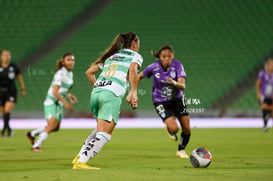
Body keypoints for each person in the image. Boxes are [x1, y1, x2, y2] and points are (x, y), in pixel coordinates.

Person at [72, 32, 143, 170]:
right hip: (111, 94)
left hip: (97, 92)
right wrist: (134, 92)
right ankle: (81, 163)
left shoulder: (110, 56)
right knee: (105, 133)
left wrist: (101, 88)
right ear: (135, 43)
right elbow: (133, 70)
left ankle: (80, 157)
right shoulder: (135, 56)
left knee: (100, 129)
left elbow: (89, 72)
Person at [138, 45, 191, 158]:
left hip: (177, 100)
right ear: (160, 57)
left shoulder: (178, 65)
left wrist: (174, 83)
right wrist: (132, 92)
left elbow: (182, 86)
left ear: (173, 56)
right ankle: (169, 128)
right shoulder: (154, 67)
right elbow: (139, 76)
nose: (167, 58)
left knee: (186, 128)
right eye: (164, 56)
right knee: (174, 128)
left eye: (169, 56)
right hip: (160, 101)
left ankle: (181, 151)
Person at [26, 53, 77, 151]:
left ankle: (31, 134)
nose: (71, 62)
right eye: (68, 60)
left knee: (56, 127)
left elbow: (63, 89)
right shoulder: (60, 74)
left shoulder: (70, 74)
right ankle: (36, 146)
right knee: (51, 125)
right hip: (51, 101)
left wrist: (69, 95)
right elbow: (55, 91)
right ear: (63, 62)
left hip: (58, 103)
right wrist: (66, 103)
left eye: (72, 60)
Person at [0, 49, 26, 137]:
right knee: (3, 113)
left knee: (7, 110)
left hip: (11, 92)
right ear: (1, 57)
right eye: (5, 55)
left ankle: (3, 130)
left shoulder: (13, 67)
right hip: (1, 92)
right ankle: (9, 129)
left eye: (8, 55)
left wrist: (23, 88)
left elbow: (19, 77)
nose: (7, 57)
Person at [256, 57, 273, 132]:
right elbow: (258, 84)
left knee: (270, 110)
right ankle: (265, 125)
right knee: (264, 108)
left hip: (270, 95)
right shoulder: (262, 73)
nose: (271, 66)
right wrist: (258, 93)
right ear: (267, 65)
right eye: (270, 65)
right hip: (263, 95)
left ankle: (266, 122)